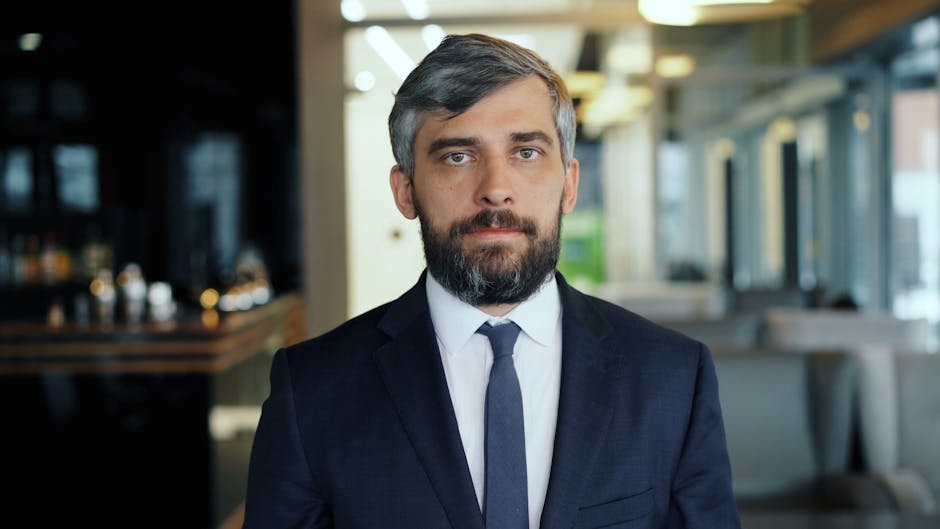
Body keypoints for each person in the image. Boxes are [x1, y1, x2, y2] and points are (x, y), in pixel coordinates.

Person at [243, 33, 741, 529]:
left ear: (568, 184)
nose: (496, 190)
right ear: (406, 191)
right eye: (458, 155)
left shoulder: (674, 379)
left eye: (526, 152)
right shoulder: (311, 392)